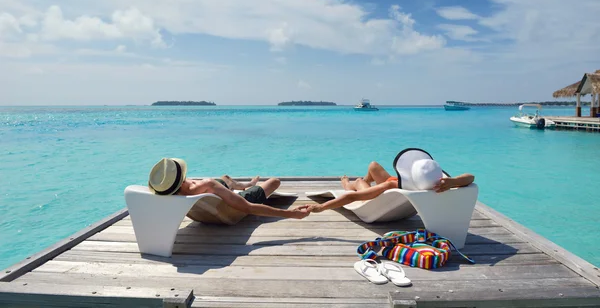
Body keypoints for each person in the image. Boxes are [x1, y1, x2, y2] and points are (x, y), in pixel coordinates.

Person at [148, 157, 310, 219]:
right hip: (234, 209)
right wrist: (290, 214)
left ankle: (244, 185)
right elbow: (247, 207)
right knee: (275, 181)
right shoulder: (207, 184)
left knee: (225, 178)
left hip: (209, 210)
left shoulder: (170, 193)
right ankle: (247, 188)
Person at [308, 159, 475, 213]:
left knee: (359, 183)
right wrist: (452, 182)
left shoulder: (393, 185)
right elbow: (470, 178)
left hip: (382, 195)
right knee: (373, 165)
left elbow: (353, 197)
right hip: (398, 182)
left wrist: (321, 207)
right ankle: (365, 181)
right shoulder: (438, 183)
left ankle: (348, 182)